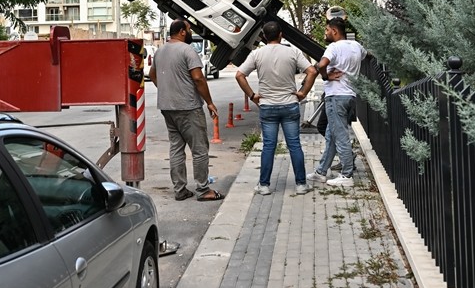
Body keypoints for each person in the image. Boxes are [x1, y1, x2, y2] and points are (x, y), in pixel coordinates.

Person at [234, 21, 318, 196]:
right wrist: (302, 92)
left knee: (269, 146)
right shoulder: (292, 52)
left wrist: (252, 95)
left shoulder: (257, 54)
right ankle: (301, 184)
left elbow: (240, 75)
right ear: (281, 35)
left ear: (264, 36)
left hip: (268, 106)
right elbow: (312, 71)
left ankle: (264, 185)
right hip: (289, 105)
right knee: (294, 145)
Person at [147, 19, 223, 201]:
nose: (190, 33)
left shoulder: (160, 51)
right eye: (189, 30)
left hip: (168, 107)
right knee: (199, 149)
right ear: (182, 32)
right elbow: (198, 78)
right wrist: (210, 102)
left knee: (176, 148)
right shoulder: (187, 50)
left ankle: (180, 189)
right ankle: (203, 190)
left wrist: (167, 91)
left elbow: (152, 75)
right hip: (188, 107)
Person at [308, 17, 366, 188]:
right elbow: (366, 55)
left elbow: (321, 65)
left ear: (334, 30)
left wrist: (326, 76)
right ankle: (321, 172)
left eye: (327, 30)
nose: (325, 33)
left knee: (340, 136)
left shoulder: (333, 47)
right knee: (331, 135)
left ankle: (347, 175)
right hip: (350, 97)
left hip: (336, 97)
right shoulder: (356, 46)